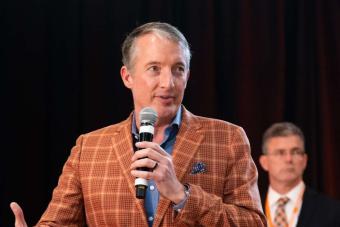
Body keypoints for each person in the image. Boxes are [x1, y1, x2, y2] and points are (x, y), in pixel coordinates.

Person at [10, 22, 266, 226]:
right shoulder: (89, 148)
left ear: (187, 76)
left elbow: (253, 223)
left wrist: (182, 195)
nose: (169, 83)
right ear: (127, 76)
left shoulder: (228, 138)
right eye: (154, 68)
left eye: (178, 69)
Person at [259, 122, 340, 227]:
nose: (289, 159)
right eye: (280, 152)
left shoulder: (333, 212)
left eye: (295, 152)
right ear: (264, 162)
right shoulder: (249, 210)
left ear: (305, 160)